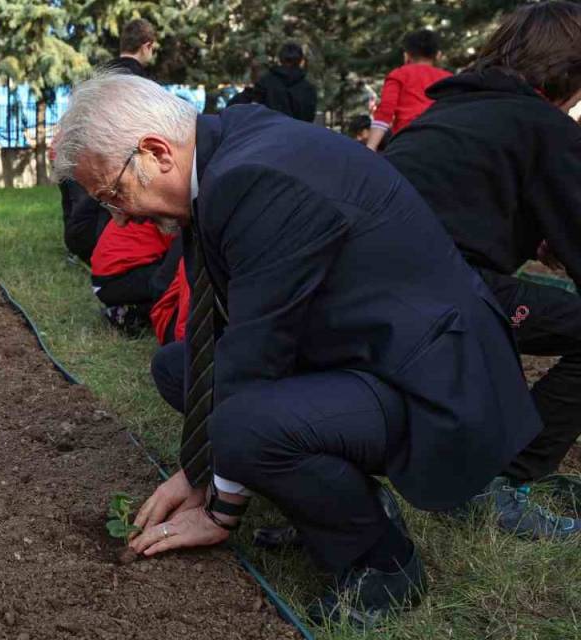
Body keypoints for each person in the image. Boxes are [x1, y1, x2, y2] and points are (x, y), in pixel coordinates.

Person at [52, 73, 539, 626]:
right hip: (367, 351)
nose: (117, 217)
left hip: (433, 382)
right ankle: (338, 501)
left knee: (243, 425)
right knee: (179, 368)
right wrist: (198, 467)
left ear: (156, 151)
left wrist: (215, 499)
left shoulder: (252, 178)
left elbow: (256, 357)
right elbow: (231, 339)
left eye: (113, 194)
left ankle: (384, 566)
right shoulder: (226, 148)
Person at [384, 1, 581, 539]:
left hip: (370, 293)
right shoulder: (543, 125)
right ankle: (502, 480)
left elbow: (458, 202)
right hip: (438, 297)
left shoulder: (447, 111)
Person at [60, 18, 160, 265]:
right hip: (121, 163)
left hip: (83, 159)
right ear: (147, 46)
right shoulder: (143, 84)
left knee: (85, 218)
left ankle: (87, 254)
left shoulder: (98, 77)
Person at [90, 219, 181, 338]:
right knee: (175, 280)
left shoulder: (148, 204)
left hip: (105, 278)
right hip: (115, 278)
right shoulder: (171, 212)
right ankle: (130, 315)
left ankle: (127, 311)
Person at [365, 30, 451, 151]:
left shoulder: (398, 75)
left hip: (407, 141)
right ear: (438, 55)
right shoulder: (449, 79)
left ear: (406, 55)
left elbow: (386, 110)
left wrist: (370, 148)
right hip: (442, 141)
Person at [253, 43, 318, 122]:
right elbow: (309, 116)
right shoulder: (308, 88)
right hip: (298, 131)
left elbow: (257, 111)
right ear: (301, 61)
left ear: (280, 59)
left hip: (271, 131)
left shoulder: (265, 83)